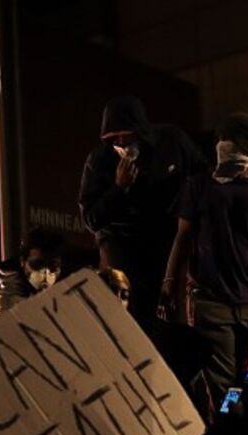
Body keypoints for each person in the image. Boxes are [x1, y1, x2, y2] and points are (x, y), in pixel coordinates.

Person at [162, 112, 248, 398]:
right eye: (221, 138)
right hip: (212, 305)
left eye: (232, 139)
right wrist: (169, 285)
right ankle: (229, 423)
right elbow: (183, 238)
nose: (224, 144)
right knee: (225, 383)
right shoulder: (199, 186)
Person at [78, 95, 203, 333]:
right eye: (114, 138)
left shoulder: (170, 142)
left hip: (163, 246)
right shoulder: (99, 161)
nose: (122, 143)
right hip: (121, 250)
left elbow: (201, 173)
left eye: (126, 135)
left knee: (169, 321)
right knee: (126, 323)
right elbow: (90, 218)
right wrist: (119, 188)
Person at [0, 228, 63, 320]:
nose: (46, 275)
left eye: (53, 266)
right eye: (37, 265)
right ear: (23, 262)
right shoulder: (9, 305)